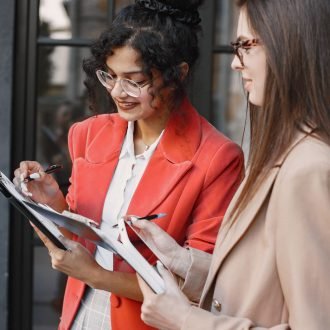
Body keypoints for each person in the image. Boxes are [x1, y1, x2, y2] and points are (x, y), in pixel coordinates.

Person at [13, 0, 244, 329]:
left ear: (177, 74)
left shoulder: (217, 158)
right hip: (81, 315)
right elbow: (82, 239)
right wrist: (52, 203)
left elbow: (200, 284)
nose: (117, 92)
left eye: (135, 80)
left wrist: (97, 276)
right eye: (110, 75)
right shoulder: (88, 134)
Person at [134, 0, 330, 329]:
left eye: (245, 46)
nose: (234, 65)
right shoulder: (285, 155)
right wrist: (184, 262)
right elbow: (264, 283)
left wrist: (184, 319)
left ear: (291, 46)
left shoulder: (308, 170)